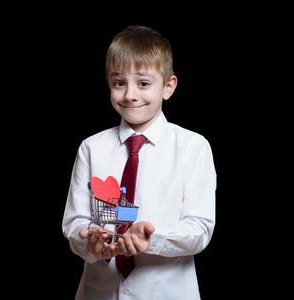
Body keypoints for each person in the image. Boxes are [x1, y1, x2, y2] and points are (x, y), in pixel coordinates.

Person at [61, 25, 217, 300]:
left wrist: (150, 240)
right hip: (97, 292)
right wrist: (90, 242)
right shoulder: (91, 148)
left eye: (143, 83)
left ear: (168, 87)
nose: (130, 94)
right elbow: (74, 222)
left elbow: (200, 229)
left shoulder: (193, 147)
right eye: (119, 82)